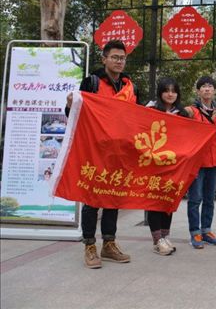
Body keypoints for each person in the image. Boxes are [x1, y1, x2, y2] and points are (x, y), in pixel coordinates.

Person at [65, 39, 140, 269]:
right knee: (92, 199)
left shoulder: (130, 86)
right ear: (104, 59)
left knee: (113, 197)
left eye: (122, 58)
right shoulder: (92, 82)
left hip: (119, 152)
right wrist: (69, 105)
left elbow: (135, 117)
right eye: (115, 57)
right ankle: (89, 246)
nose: (119, 61)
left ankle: (109, 244)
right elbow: (76, 114)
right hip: (94, 150)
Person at [145, 77, 189, 255]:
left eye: (173, 91)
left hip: (173, 165)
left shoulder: (183, 113)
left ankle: (165, 236)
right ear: (160, 92)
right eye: (166, 90)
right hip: (154, 164)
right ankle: (157, 241)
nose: (170, 94)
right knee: (154, 200)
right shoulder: (150, 110)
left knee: (168, 200)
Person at [185, 75, 216, 248]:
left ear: (214, 90)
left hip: (214, 160)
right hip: (197, 161)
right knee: (195, 199)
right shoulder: (190, 111)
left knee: (209, 199)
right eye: (203, 86)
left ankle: (206, 231)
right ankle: (195, 233)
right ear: (198, 91)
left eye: (210, 86)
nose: (207, 89)